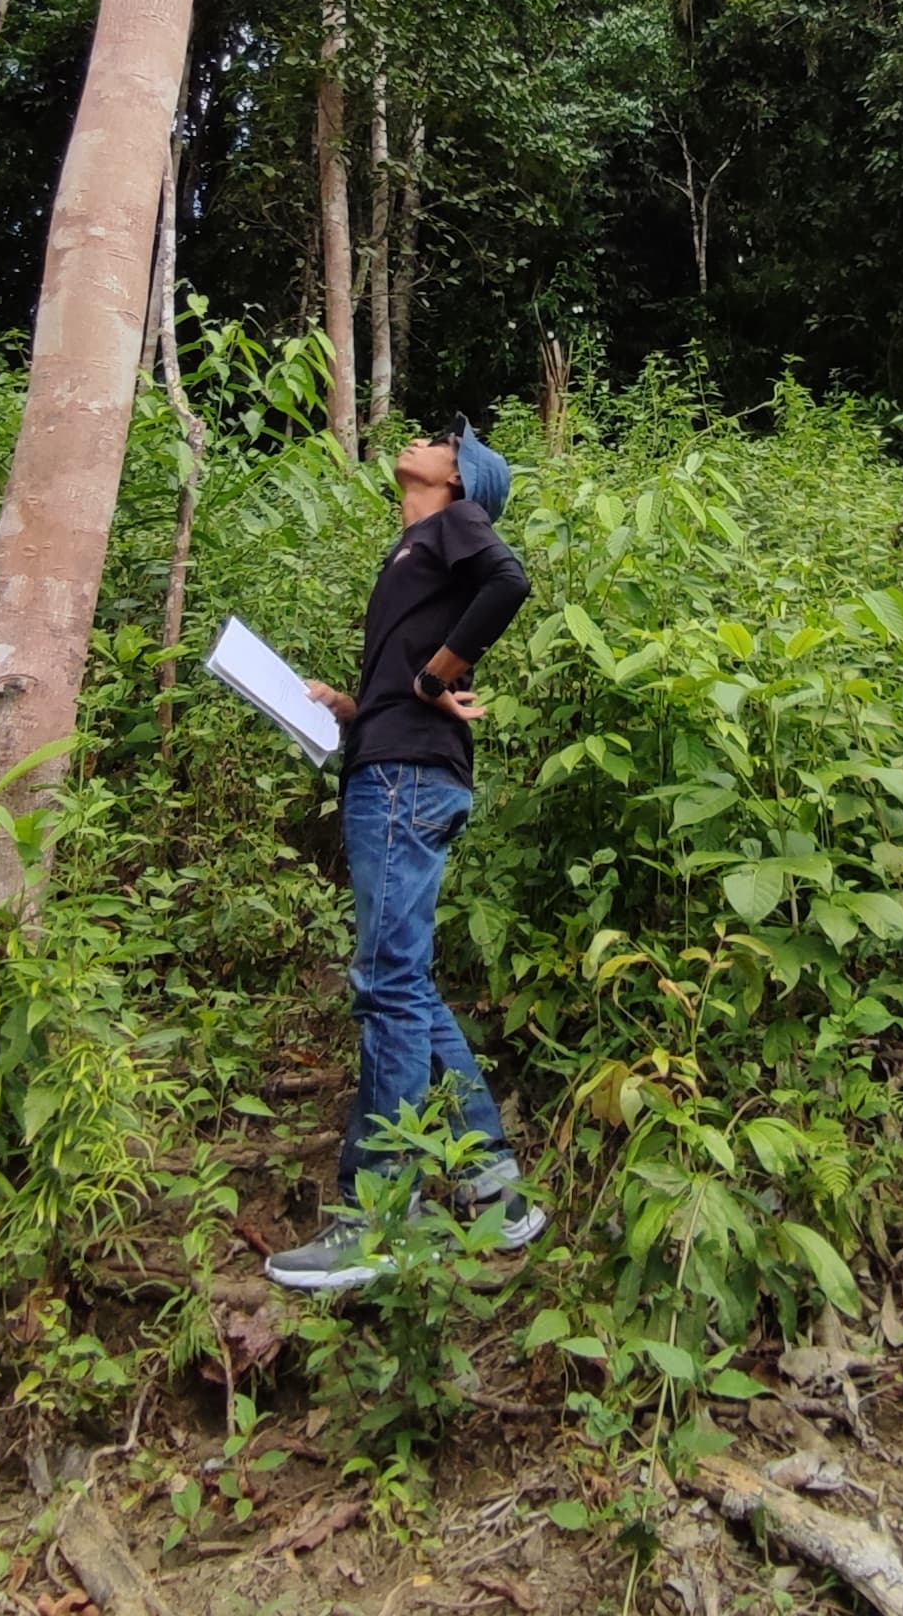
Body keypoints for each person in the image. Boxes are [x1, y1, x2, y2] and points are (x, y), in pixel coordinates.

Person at [262, 418, 540, 1293]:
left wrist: (433, 679)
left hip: (404, 782)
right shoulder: (408, 552)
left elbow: (508, 581)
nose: (423, 441)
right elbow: (419, 659)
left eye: (443, 442)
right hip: (395, 766)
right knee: (404, 979)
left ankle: (374, 1218)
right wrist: (360, 702)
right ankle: (493, 1188)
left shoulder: (452, 527)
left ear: (460, 479)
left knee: (387, 981)